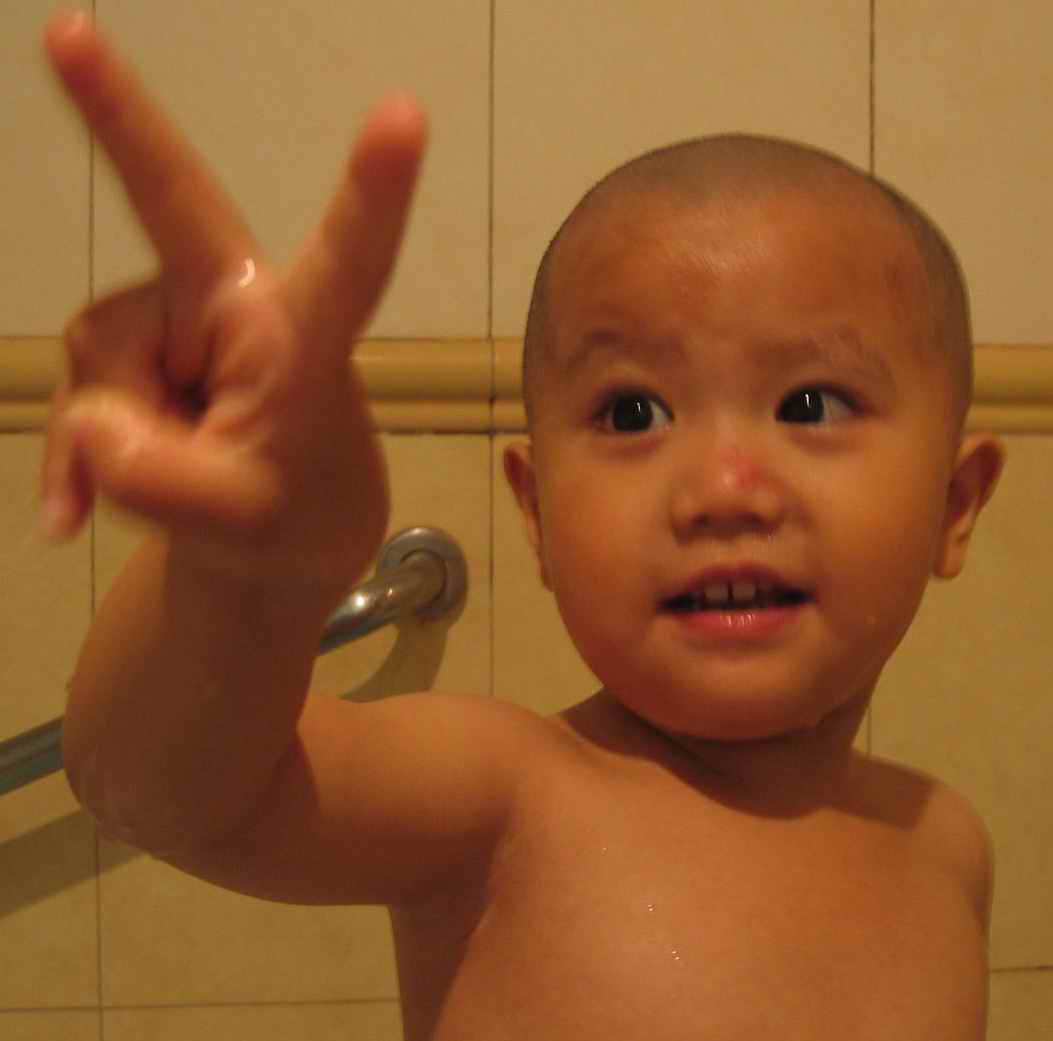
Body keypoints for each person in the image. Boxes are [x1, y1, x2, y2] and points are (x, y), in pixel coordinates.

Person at [40, 12, 1006, 1040]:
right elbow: (160, 792)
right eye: (632, 413)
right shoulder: (505, 796)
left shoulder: (945, 845)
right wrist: (248, 575)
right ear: (537, 512)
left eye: (810, 405)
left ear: (954, 506)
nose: (724, 488)